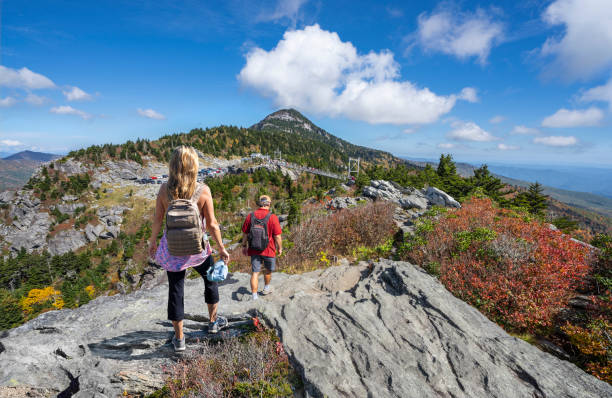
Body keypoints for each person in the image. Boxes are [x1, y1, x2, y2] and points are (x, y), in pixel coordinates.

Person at [149, 146, 230, 352]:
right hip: (198, 249)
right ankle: (213, 323)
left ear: (173, 165)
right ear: (194, 166)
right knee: (210, 280)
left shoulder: (163, 190)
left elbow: (158, 220)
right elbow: (212, 224)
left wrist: (152, 242)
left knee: (176, 291)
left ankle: (179, 340)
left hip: (172, 250)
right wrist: (221, 248)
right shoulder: (203, 190)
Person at [241, 195, 282, 300]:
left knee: (255, 272)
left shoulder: (250, 216)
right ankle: (266, 288)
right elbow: (277, 236)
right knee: (268, 270)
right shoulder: (272, 217)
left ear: (259, 203)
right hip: (269, 250)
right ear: (268, 204)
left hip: (254, 249)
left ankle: (254, 296)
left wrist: (244, 246)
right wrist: (280, 248)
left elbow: (245, 233)